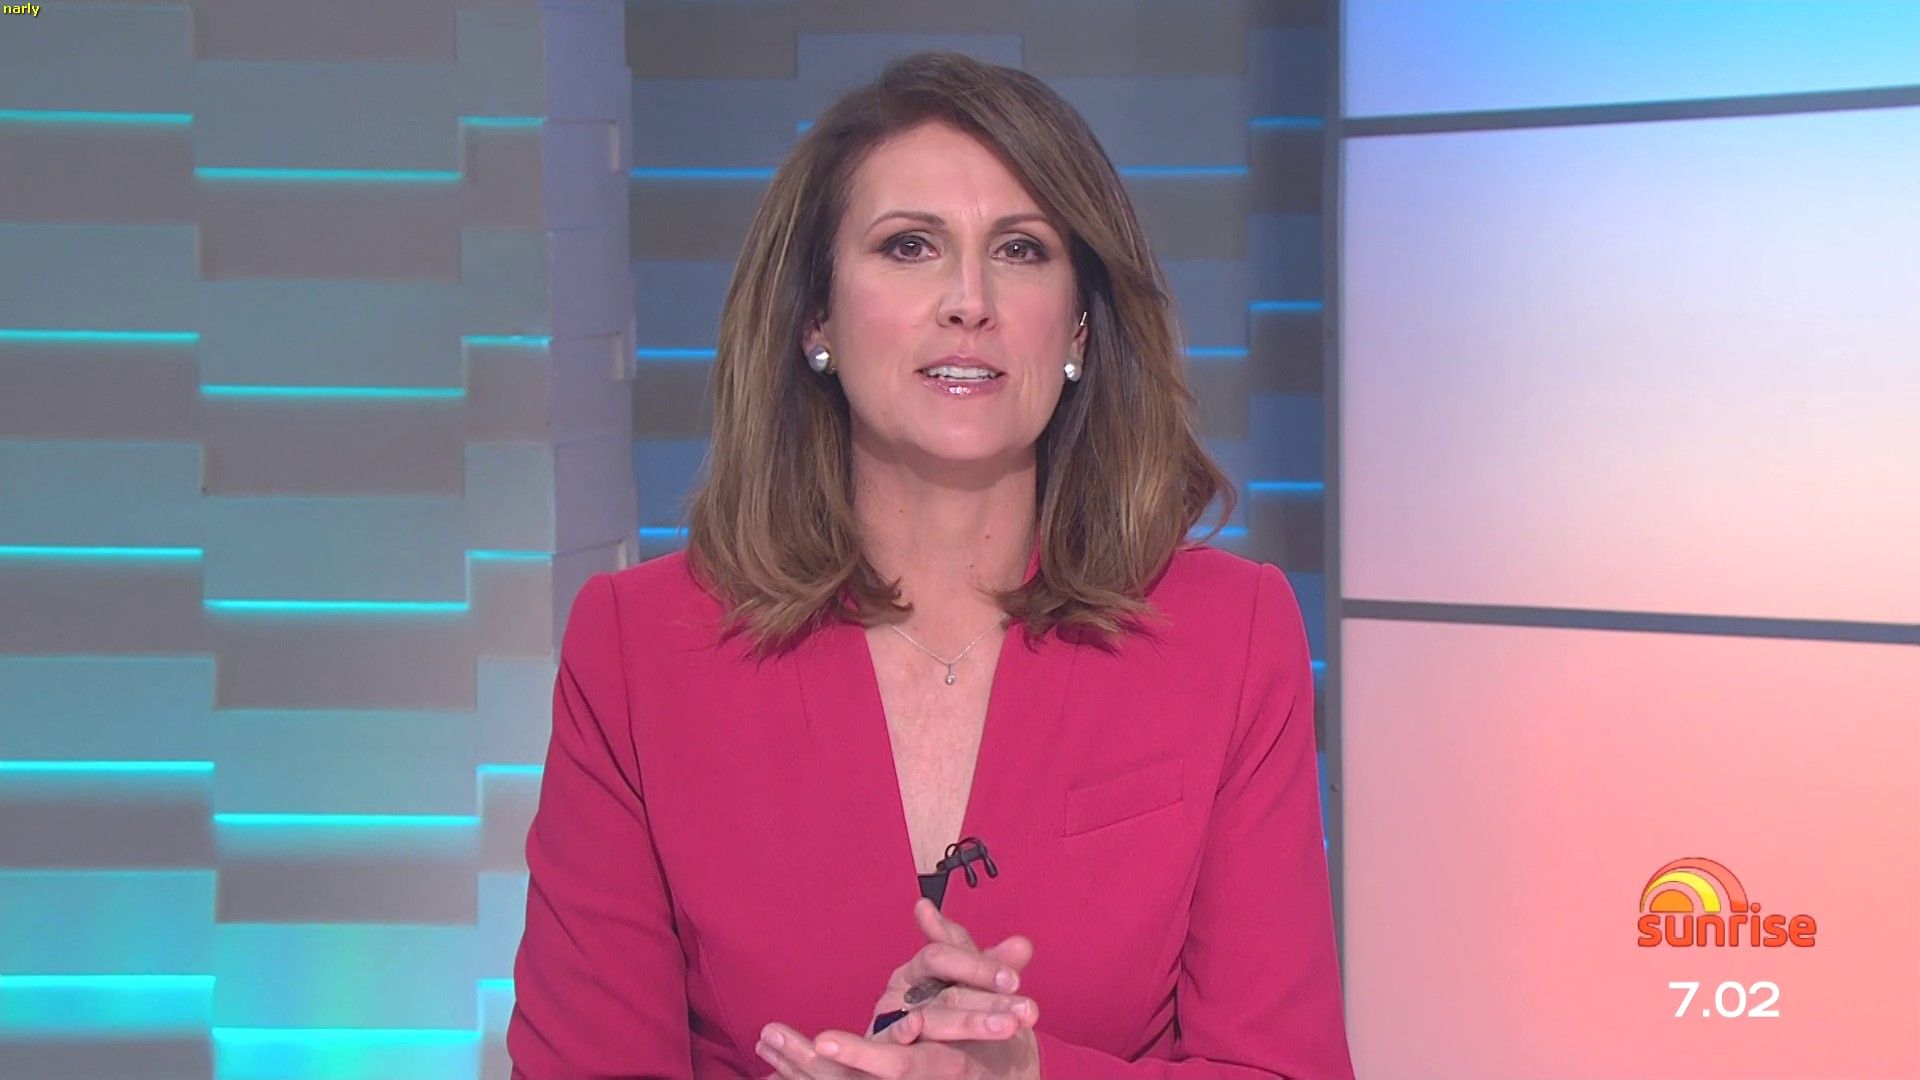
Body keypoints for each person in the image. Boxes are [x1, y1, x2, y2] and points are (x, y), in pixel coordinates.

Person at [505, 50, 1355, 1080]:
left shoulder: (1230, 634)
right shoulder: (639, 649)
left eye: (1021, 250)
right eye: (909, 246)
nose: (968, 300)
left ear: (1079, 327)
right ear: (815, 318)